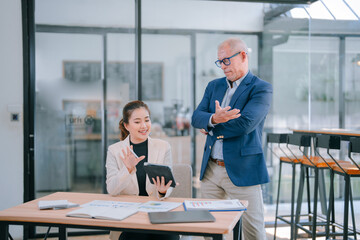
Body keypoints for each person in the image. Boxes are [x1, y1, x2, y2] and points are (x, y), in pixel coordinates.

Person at [191, 38, 272, 239]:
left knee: (253, 232)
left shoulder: (261, 88)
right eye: (220, 62)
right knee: (210, 230)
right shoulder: (214, 86)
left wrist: (211, 126)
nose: (223, 67)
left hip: (243, 170)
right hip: (211, 170)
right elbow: (196, 117)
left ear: (243, 55)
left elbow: (245, 124)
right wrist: (212, 118)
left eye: (226, 61)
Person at [106, 100, 179, 240]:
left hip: (157, 212)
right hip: (129, 215)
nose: (144, 126)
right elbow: (112, 189)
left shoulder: (163, 147)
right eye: (137, 122)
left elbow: (168, 184)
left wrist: (163, 191)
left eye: (147, 120)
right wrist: (127, 169)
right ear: (126, 125)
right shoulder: (114, 150)